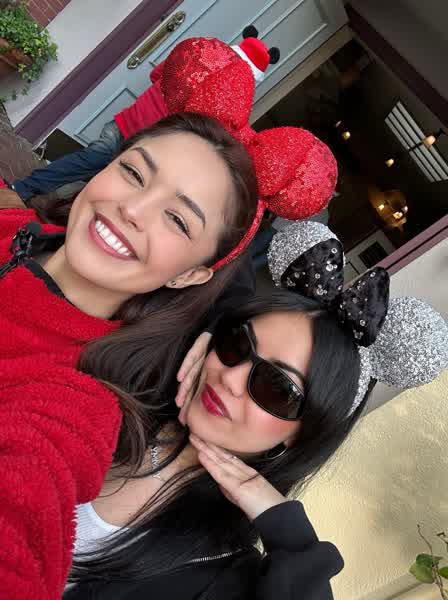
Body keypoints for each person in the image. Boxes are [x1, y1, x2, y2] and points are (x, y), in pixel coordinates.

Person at [0, 106, 339, 598]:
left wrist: (290, 534)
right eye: (134, 172)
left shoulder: (79, 400)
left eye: (178, 220)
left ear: (191, 275)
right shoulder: (15, 224)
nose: (133, 209)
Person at [60, 221, 448, 599]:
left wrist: (287, 530)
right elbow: (220, 238)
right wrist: (211, 326)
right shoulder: (120, 388)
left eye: (275, 387)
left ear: (303, 434)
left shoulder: (222, 570)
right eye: (237, 345)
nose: (230, 378)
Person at [1, 27, 280, 204]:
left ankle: (37, 196)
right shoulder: (224, 102)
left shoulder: (194, 61)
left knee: (92, 170)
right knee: (99, 173)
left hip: (131, 128)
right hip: (142, 139)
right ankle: (28, 191)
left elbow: (156, 74)